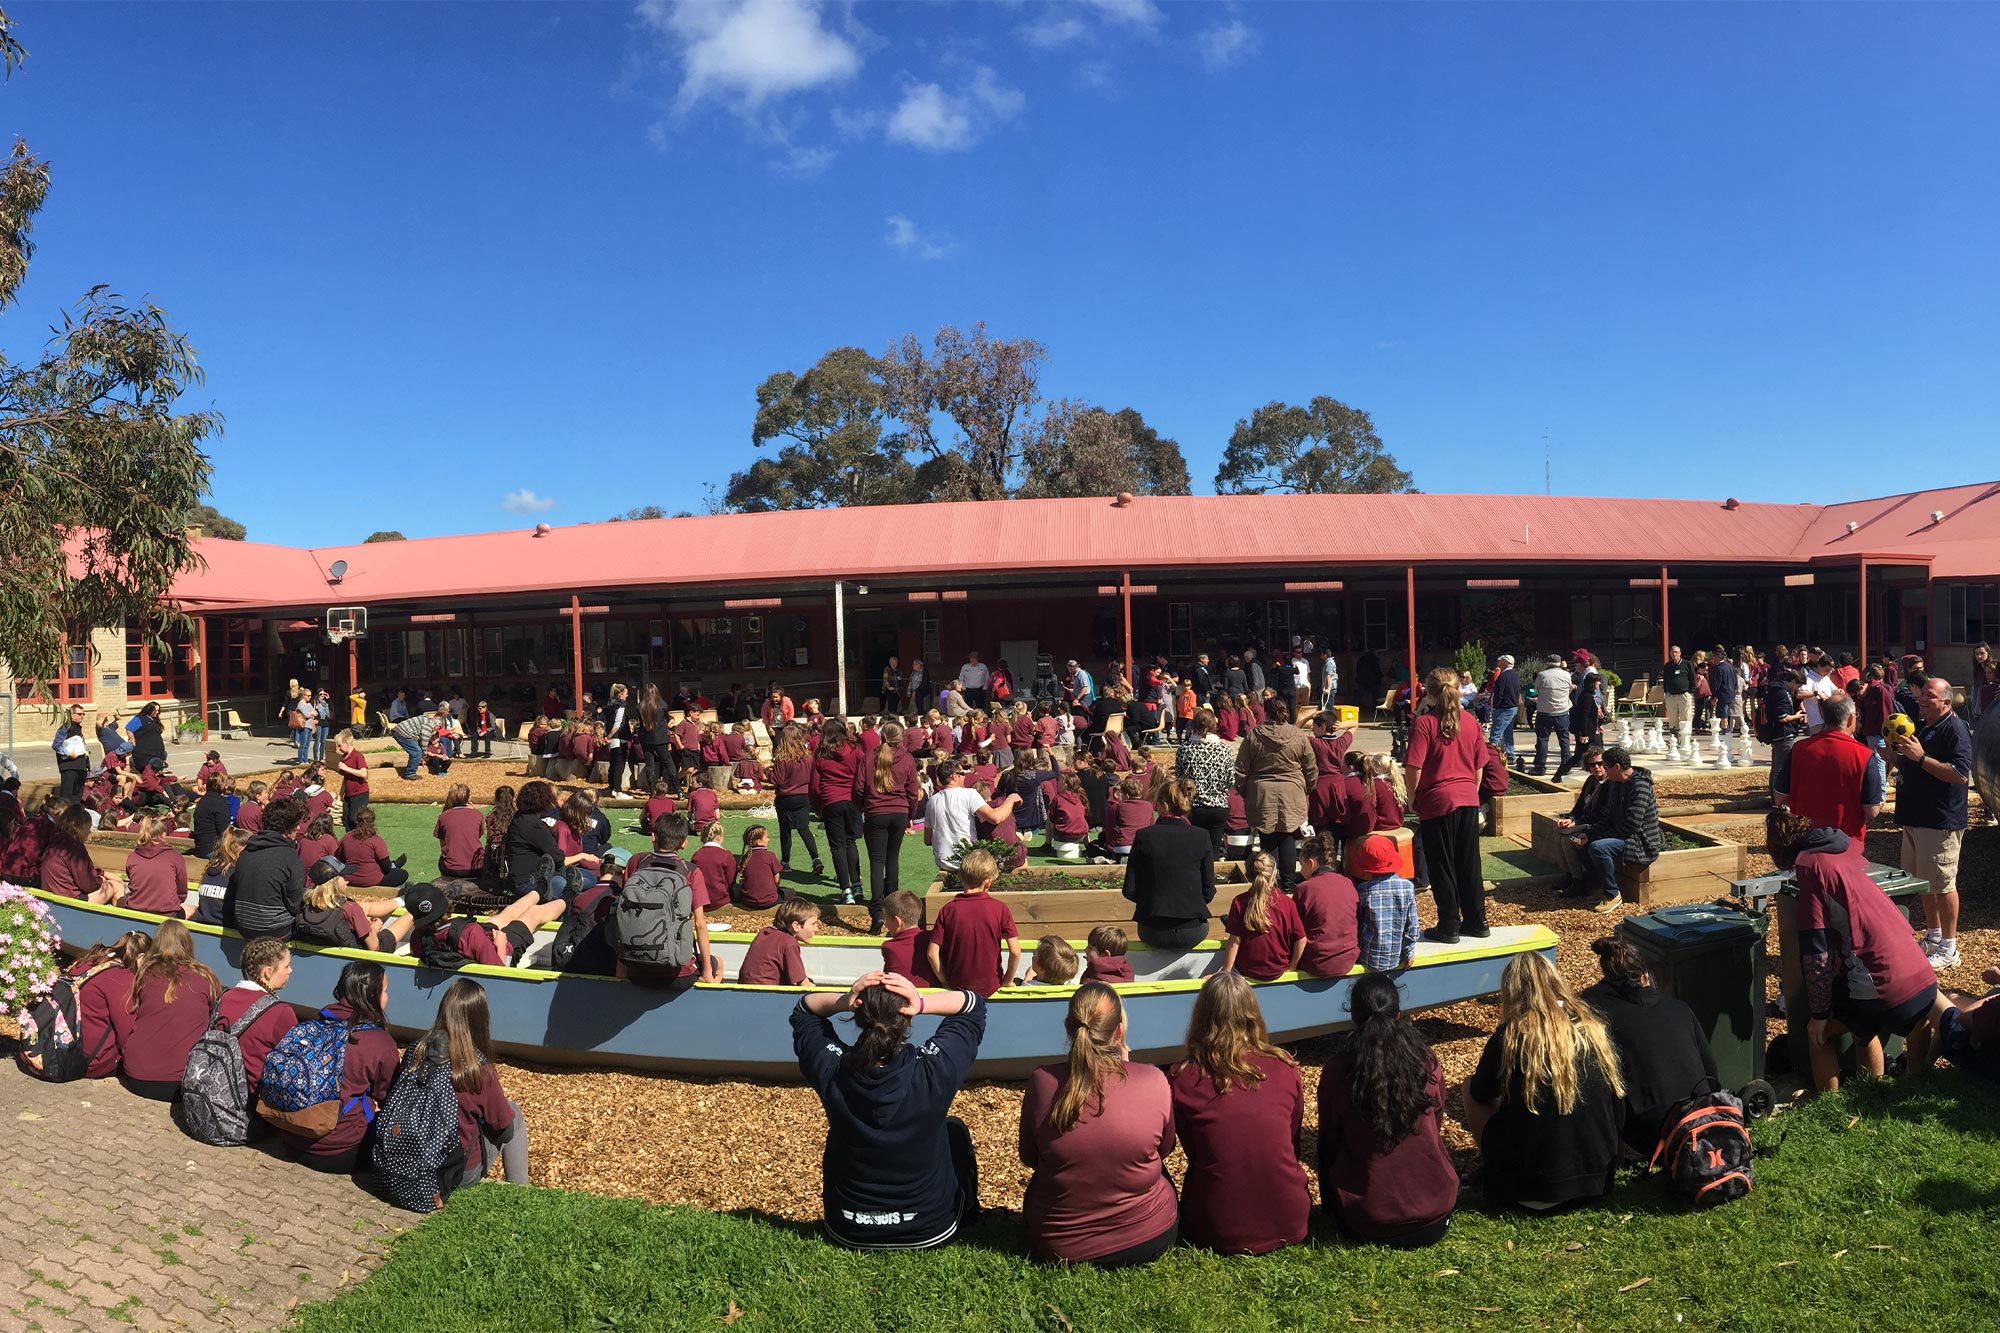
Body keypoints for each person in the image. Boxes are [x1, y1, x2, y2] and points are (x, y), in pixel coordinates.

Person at [793, 972, 985, 1250]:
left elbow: (804, 1012)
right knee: (953, 1129)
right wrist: (921, 1002)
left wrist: (845, 1001)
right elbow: (972, 1006)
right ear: (906, 1020)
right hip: (930, 1227)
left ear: (860, 1015)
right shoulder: (932, 1071)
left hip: (848, 1226)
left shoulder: (834, 1071)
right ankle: (969, 1213)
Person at [1767, 812, 1945, 1091]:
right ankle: (1904, 1084)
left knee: (1820, 1035)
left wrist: (1818, 1013)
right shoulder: (1843, 848)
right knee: (1877, 1026)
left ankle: (1831, 1104)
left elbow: (1816, 950)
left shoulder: (1808, 865)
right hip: (1914, 961)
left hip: (1874, 974)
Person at [1019, 983, 1179, 1266]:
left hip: (1060, 1243)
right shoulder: (1153, 1079)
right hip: (1149, 1235)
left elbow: (1029, 1157)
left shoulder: (1042, 1081)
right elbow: (1164, 1150)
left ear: (1069, 1028)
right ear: (1119, 1031)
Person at [1462, 952, 1625, 1211]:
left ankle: (1493, 1165)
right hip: (1594, 1185)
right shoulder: (1592, 1028)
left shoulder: (1511, 1035)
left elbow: (1480, 1093)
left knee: (1470, 1087)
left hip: (1524, 1190)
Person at [1169, 972, 1310, 1255]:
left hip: (1214, 1226)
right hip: (1290, 1218)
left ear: (1201, 1015)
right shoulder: (1284, 1067)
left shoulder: (1182, 1077)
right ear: (1252, 1012)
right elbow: (1292, 1140)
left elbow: (1194, 1150)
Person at [1317, 972, 1458, 1246]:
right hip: (1435, 1213)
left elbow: (1328, 1143)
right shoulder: (1425, 1062)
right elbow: (1436, 1123)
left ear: (1353, 1017)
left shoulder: (1338, 1070)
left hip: (1366, 1220)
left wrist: (1328, 1204)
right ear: (1398, 1014)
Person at [1580, 935, 1720, 1155]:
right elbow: (1710, 1070)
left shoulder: (1597, 1011)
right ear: (1645, 977)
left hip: (1648, 1134)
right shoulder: (1679, 1008)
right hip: (1701, 1117)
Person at [407, 977, 531, 1196]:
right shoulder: (476, 1068)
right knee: (514, 1115)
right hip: (456, 1172)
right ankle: (519, 1191)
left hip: (412, 1159)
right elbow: (505, 1129)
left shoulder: (416, 1051)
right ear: (479, 1018)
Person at [277, 961, 400, 1174]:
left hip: (291, 1139)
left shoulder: (316, 1024)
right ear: (371, 995)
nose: (387, 996)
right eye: (385, 990)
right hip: (340, 1153)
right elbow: (387, 1096)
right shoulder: (379, 1041)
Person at [1890, 676, 1971, 969]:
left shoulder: (1954, 729)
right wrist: (1896, 757)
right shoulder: (1927, 727)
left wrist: (1921, 758)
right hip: (1915, 818)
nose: (1922, 698)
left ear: (1946, 703)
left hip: (1939, 820)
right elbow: (1915, 763)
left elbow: (1960, 773)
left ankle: (1949, 947)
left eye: (1930, 695)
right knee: (1925, 883)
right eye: (1922, 693)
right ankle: (1934, 936)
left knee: (1943, 884)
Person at [1403, 668, 1486, 944]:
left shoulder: (1425, 723)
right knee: (1469, 862)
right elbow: (1479, 766)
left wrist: (1412, 797)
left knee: (1442, 865)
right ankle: (1477, 920)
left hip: (1438, 800)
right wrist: (1470, 793)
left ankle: (1449, 924)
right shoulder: (1471, 721)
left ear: (1429, 692)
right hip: (1466, 799)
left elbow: (1414, 766)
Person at [113, 919, 222, 1100]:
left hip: (135, 1075)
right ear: (187, 943)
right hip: (182, 1082)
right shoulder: (205, 976)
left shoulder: (145, 973)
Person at [1772, 690, 1884, 839]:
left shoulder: (1799, 749)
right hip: (1845, 841)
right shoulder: (1863, 755)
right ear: (1850, 719)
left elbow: (1780, 797)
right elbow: (1872, 811)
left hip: (1804, 838)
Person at [1121, 779, 1216, 950]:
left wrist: (1150, 902)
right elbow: (1208, 890)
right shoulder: (1201, 836)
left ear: (1163, 805)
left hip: (1152, 929)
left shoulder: (1145, 836)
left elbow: (1130, 889)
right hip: (1192, 928)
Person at [1234, 697, 1317, 890]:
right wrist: (1306, 788)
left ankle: (1271, 885)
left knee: (1268, 838)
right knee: (1288, 836)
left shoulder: (1254, 735)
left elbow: (1240, 769)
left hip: (1262, 792)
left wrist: (1247, 792)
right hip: (1291, 791)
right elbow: (1311, 766)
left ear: (1266, 712)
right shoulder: (1297, 734)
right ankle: (1287, 885)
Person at [1571, 745, 1659, 914]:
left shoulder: (1640, 786)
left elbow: (1631, 825)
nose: (1603, 770)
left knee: (1598, 847)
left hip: (1640, 841)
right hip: (1625, 834)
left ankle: (1613, 894)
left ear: (1617, 767)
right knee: (1583, 843)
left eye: (1606, 766)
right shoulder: (1617, 783)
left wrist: (1597, 837)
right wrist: (1588, 834)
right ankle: (1599, 888)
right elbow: (1609, 818)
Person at [855, 721, 923, 933]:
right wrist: (910, 814)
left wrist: (863, 807)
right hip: (899, 812)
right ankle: (894, 910)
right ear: (901, 738)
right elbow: (913, 791)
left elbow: (858, 788)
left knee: (877, 862)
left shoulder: (868, 757)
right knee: (892, 860)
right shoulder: (907, 759)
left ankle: (876, 911)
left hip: (876, 812)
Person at [927, 849, 1020, 997]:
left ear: (959, 876)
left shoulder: (948, 910)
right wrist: (1008, 980)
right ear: (988, 882)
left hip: (958, 987)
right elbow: (1015, 951)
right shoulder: (1000, 909)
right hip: (991, 986)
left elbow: (932, 953)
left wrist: (945, 982)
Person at [215, 937, 300, 1098]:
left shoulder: (224, 997)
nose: (290, 970)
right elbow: (295, 1061)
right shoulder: (280, 1012)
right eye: (286, 966)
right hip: (250, 1100)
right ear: (268, 972)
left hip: (216, 1087)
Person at [1219, 851, 1306, 981]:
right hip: (1278, 970)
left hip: (1246, 971)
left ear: (1248, 876)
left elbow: (1234, 941)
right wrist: (1292, 968)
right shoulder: (1287, 903)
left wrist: (1225, 971)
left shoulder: (1239, 902)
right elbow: (1301, 939)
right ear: (1275, 874)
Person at [923, 760, 1020, 871]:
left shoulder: (932, 801)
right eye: (962, 773)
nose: (965, 777)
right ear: (954, 776)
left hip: (943, 862)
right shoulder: (969, 794)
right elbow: (996, 818)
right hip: (968, 861)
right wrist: (1011, 799)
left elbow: (927, 839)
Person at [1291, 832, 1361, 978]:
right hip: (1347, 959)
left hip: (1316, 962)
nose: (1300, 870)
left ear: (1310, 863)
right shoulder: (1348, 883)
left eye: (1301, 864)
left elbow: (1294, 931)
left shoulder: (1304, 889)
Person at [1548, 747, 1609, 894]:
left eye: (1600, 763)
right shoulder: (1590, 781)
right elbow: (1580, 805)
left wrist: (1577, 822)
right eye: (1592, 765)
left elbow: (1602, 813)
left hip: (1597, 825)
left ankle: (1578, 880)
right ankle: (1569, 874)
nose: (1597, 767)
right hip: (1584, 821)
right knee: (1558, 833)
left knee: (1569, 840)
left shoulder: (1609, 784)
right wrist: (1571, 818)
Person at [767, 727, 823, 880]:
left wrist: (766, 772)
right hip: (803, 796)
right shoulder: (808, 757)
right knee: (804, 828)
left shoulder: (782, 759)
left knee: (785, 831)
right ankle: (815, 858)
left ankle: (785, 862)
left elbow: (776, 779)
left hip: (786, 797)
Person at [40, 803, 120, 903]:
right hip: (70, 900)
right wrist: (101, 879)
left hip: (51, 895)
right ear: (80, 828)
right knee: (116, 885)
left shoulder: (55, 841)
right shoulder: (74, 848)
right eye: (88, 827)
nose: (89, 832)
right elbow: (89, 885)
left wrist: (101, 873)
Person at [122, 813, 190, 916]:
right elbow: (182, 891)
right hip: (167, 913)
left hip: (135, 910)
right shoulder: (175, 856)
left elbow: (132, 881)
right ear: (163, 834)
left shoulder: (133, 856)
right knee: (193, 911)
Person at [336, 807, 408, 891]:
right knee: (402, 874)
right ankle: (394, 865)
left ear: (357, 821)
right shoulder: (376, 840)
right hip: (371, 879)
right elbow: (386, 867)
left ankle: (394, 864)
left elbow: (339, 859)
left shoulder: (346, 837)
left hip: (349, 878)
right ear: (372, 822)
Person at [192, 827, 248, 926]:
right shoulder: (236, 873)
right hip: (226, 928)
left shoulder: (211, 867)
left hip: (201, 923)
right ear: (242, 848)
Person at [1530, 654, 1573, 778]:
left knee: (1542, 739)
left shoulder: (1542, 675)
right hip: (1562, 710)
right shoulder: (1566, 675)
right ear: (1560, 663)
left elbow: (1537, 689)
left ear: (1547, 663)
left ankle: (1540, 766)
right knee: (1564, 739)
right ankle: (1566, 765)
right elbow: (1569, 689)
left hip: (1544, 711)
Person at [433, 783, 486, 879]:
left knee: (443, 857)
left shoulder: (443, 816)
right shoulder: (478, 815)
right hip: (475, 866)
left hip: (450, 868)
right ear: (468, 799)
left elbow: (442, 844)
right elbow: (476, 836)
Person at [391, 705, 448, 781]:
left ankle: (411, 771)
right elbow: (424, 741)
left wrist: (422, 756)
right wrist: (424, 755)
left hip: (402, 731)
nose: (438, 730)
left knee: (416, 751)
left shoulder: (428, 721)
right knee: (416, 752)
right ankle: (410, 774)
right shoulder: (429, 726)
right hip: (402, 733)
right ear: (438, 725)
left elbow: (420, 740)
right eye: (439, 728)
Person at [734, 824, 784, 909]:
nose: (768, 839)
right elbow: (777, 878)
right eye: (766, 837)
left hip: (748, 901)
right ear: (759, 842)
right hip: (770, 901)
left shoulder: (745, 858)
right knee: (790, 893)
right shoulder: (770, 855)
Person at [51, 703, 90, 801]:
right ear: (72, 715)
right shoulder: (65, 728)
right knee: (66, 798)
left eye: (83, 714)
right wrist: (68, 753)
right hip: (69, 767)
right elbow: (56, 745)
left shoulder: (78, 728)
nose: (82, 716)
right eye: (80, 714)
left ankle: (74, 815)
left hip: (81, 767)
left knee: (77, 798)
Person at [1487, 655, 1522, 764]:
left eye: (1501, 661)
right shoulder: (1516, 675)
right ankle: (1510, 754)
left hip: (1503, 707)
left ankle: (1491, 757)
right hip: (1512, 706)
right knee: (1507, 732)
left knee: (1495, 733)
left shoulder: (1503, 676)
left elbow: (1499, 693)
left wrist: (1495, 705)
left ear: (1505, 663)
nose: (1499, 663)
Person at [1660, 644, 1696, 742]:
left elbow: (1693, 679)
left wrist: (1690, 692)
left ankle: (1686, 738)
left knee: (1685, 715)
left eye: (1676, 652)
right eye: (1672, 652)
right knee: (1672, 717)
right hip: (1671, 696)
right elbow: (1665, 680)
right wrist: (1666, 692)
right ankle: (1674, 737)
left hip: (1684, 695)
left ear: (1680, 653)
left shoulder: (1687, 664)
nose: (1674, 654)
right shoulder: (1668, 665)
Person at [190, 775, 233, 859]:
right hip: (212, 849)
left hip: (200, 847)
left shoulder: (202, 801)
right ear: (223, 786)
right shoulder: (220, 803)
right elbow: (224, 831)